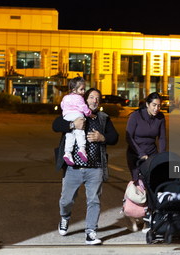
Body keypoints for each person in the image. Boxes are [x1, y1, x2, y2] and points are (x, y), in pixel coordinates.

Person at [52, 86, 119, 245]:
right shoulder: (74, 112)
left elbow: (115, 137)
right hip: (74, 167)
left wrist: (102, 137)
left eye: (97, 99)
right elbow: (55, 126)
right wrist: (72, 125)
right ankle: (65, 217)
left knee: (94, 201)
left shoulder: (103, 118)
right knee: (66, 201)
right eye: (91, 97)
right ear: (85, 99)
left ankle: (91, 232)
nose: (94, 101)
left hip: (95, 168)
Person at [125, 92, 166, 231]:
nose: (157, 108)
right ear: (147, 104)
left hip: (152, 154)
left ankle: (149, 218)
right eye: (154, 105)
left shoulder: (160, 117)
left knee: (153, 185)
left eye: (159, 106)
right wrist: (141, 154)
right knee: (140, 187)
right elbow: (128, 137)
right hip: (135, 154)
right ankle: (134, 214)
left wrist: (163, 156)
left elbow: (161, 138)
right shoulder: (136, 116)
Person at [60, 77, 92, 166]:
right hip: (77, 115)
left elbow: (62, 105)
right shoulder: (79, 98)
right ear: (74, 90)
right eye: (81, 89)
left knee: (69, 136)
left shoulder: (65, 97)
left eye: (84, 89)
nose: (83, 91)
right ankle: (82, 149)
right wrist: (89, 113)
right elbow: (83, 107)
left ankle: (67, 152)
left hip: (67, 117)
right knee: (80, 132)